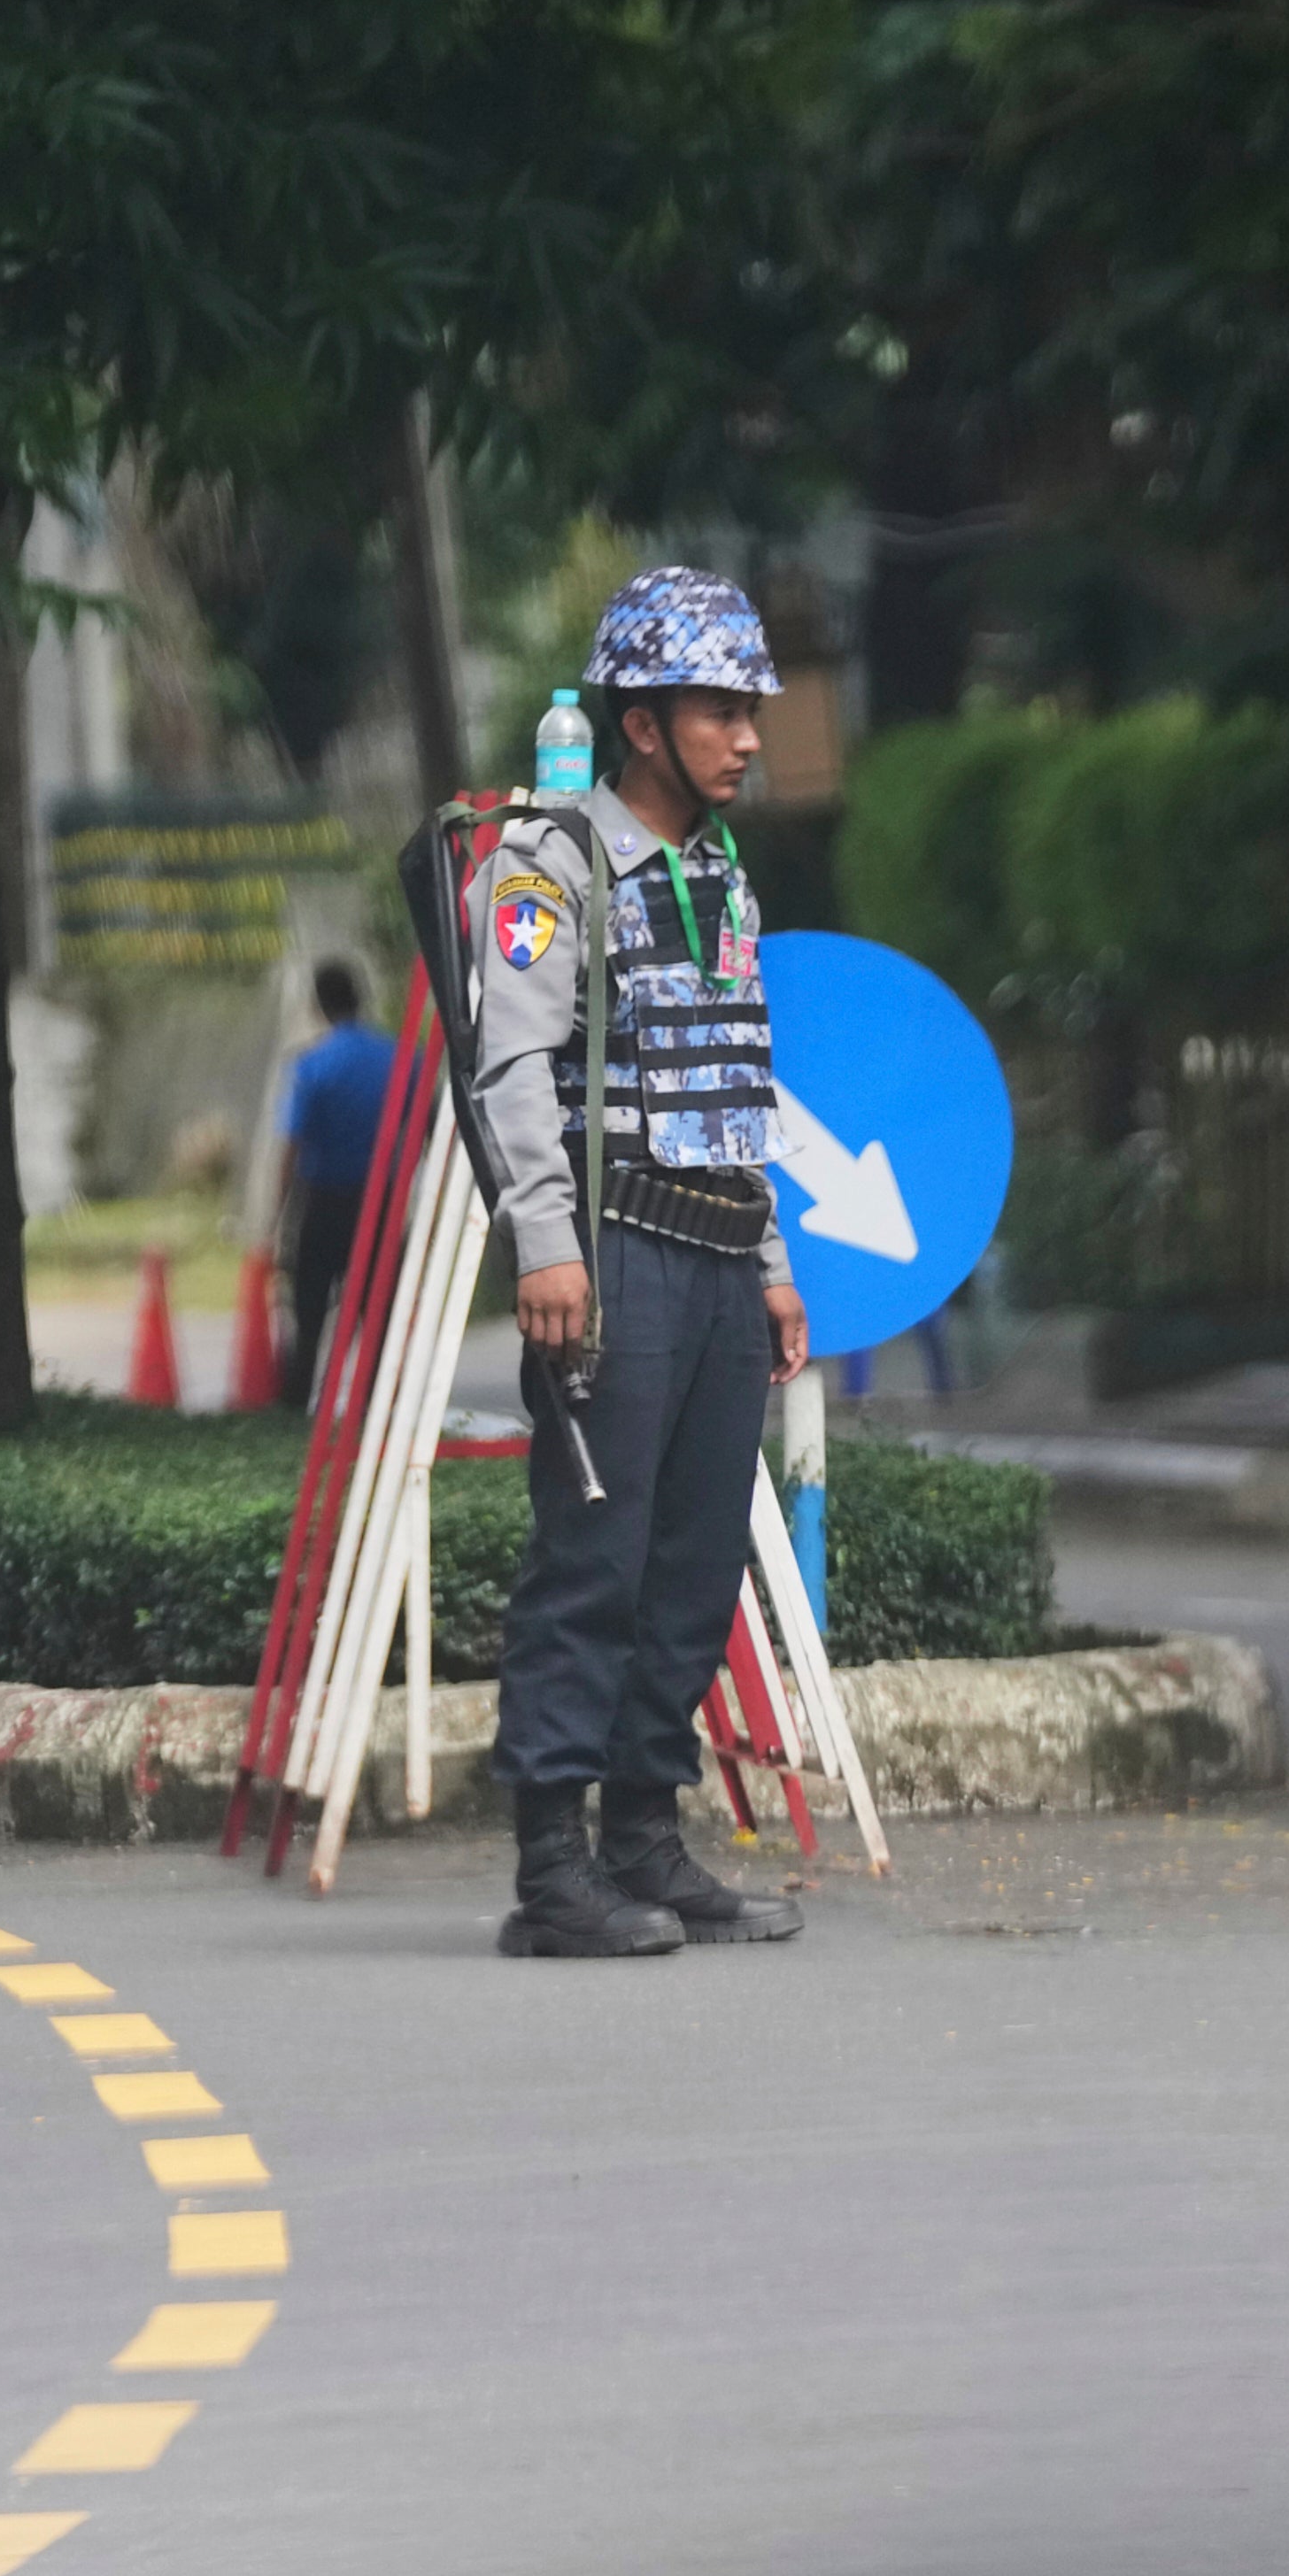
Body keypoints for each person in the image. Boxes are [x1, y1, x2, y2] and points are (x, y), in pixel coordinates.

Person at [463, 566, 814, 1960]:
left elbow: (739, 1074)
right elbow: (508, 1062)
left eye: (749, 710)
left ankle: (647, 1843)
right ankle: (553, 1872)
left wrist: (774, 1254)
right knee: (593, 1556)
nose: (745, 735)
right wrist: (545, 1245)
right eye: (721, 710)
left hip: (723, 1259)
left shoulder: (720, 869)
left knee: (692, 1561)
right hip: (611, 1257)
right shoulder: (550, 861)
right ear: (644, 722)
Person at [269, 962, 398, 1411]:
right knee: (376, 1311)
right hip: (380, 1202)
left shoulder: (311, 1065)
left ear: (319, 1005)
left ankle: (296, 1401)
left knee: (308, 1311)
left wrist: (278, 1216)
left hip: (323, 1200)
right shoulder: (399, 1058)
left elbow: (291, 1146)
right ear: (360, 999)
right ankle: (372, 1404)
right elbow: (428, 1125)